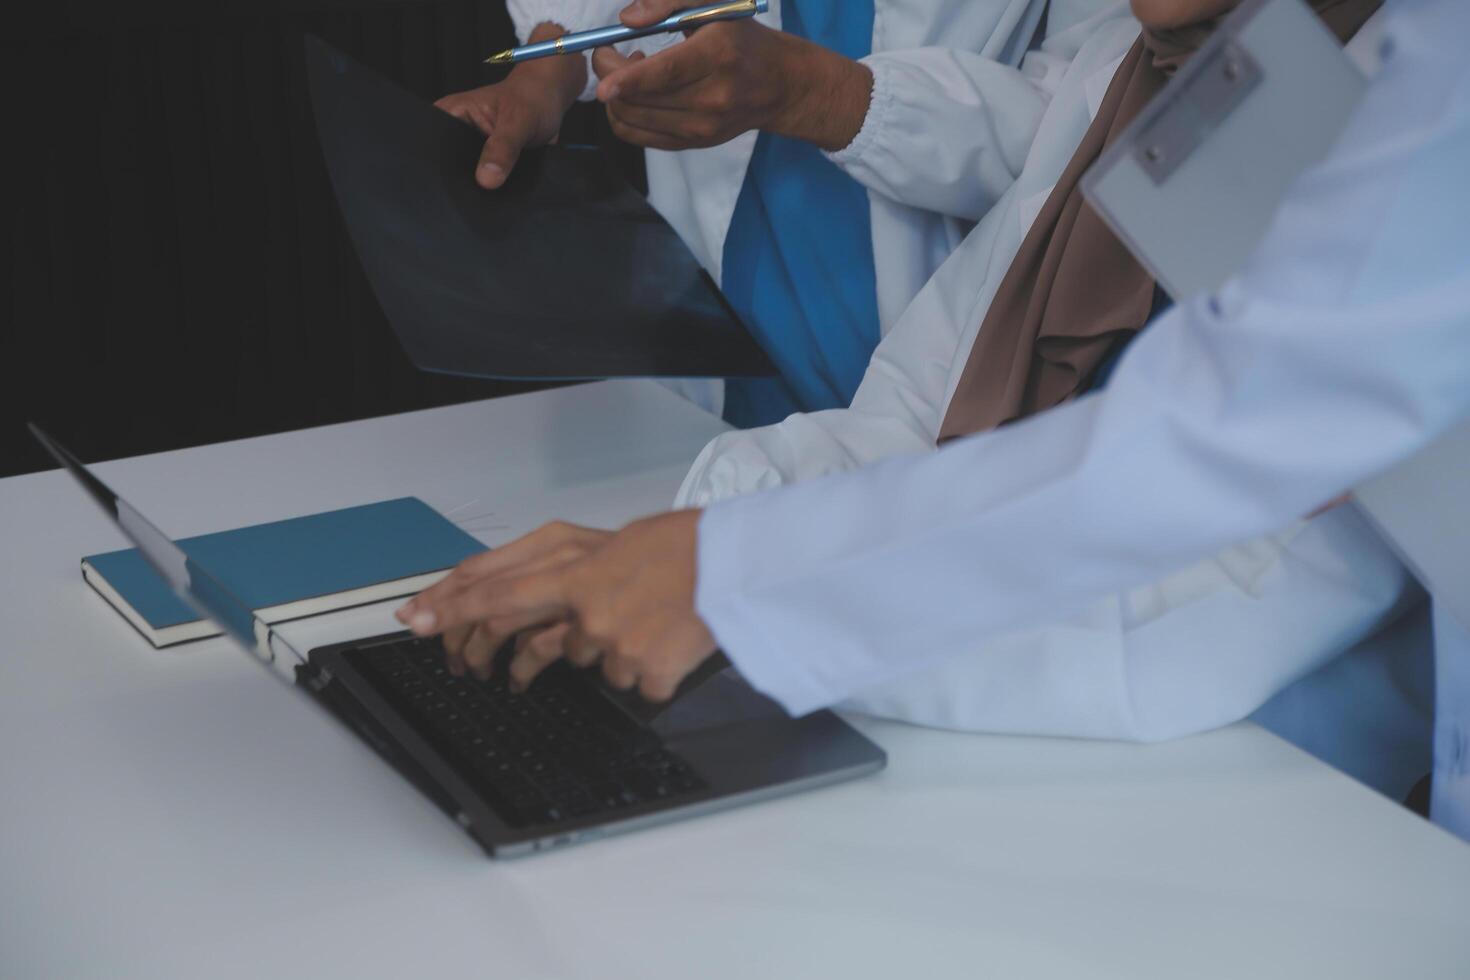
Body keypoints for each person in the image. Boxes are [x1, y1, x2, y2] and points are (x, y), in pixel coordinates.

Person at [400, 0, 1470, 841]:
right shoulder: (1134, 69)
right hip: (1020, 752)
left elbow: (1199, 560)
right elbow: (922, 403)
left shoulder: (1399, 114)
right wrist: (683, 543)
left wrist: (739, 579)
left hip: (1231, 808)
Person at [436, 0, 1131, 426]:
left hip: (930, 383)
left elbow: (1098, 124)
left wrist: (812, 94)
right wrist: (550, 69)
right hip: (714, 383)